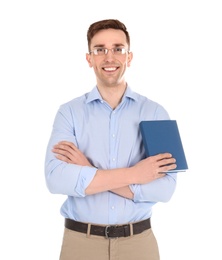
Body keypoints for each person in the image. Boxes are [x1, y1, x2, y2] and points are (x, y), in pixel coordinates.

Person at [44, 18, 177, 260]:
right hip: (80, 245)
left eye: (118, 49)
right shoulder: (69, 113)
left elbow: (165, 189)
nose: (109, 57)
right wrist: (136, 175)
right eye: (100, 50)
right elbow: (56, 179)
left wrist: (87, 171)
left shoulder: (156, 113)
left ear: (129, 57)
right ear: (89, 58)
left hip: (139, 245)